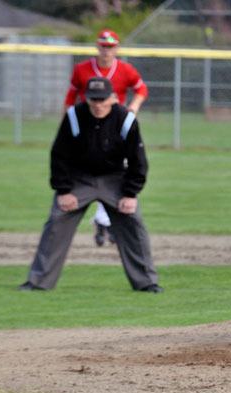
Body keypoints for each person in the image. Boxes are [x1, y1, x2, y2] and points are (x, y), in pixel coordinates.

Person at [19, 77, 162, 293]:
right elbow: (59, 155)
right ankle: (38, 282)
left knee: (134, 223)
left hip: (115, 179)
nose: (97, 104)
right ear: (86, 98)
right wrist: (64, 190)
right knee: (57, 220)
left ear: (113, 98)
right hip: (79, 179)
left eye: (102, 99)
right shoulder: (74, 116)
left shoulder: (125, 120)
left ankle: (147, 282)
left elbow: (138, 160)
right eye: (93, 99)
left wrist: (131, 194)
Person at [64, 29, 149, 247]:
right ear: (97, 46)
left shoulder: (125, 69)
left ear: (116, 48)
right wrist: (67, 123)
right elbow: (71, 96)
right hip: (86, 128)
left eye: (110, 46)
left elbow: (141, 89)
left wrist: (133, 107)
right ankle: (102, 221)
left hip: (116, 129)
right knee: (84, 172)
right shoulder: (82, 69)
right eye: (103, 45)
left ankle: (104, 221)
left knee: (113, 173)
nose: (106, 50)